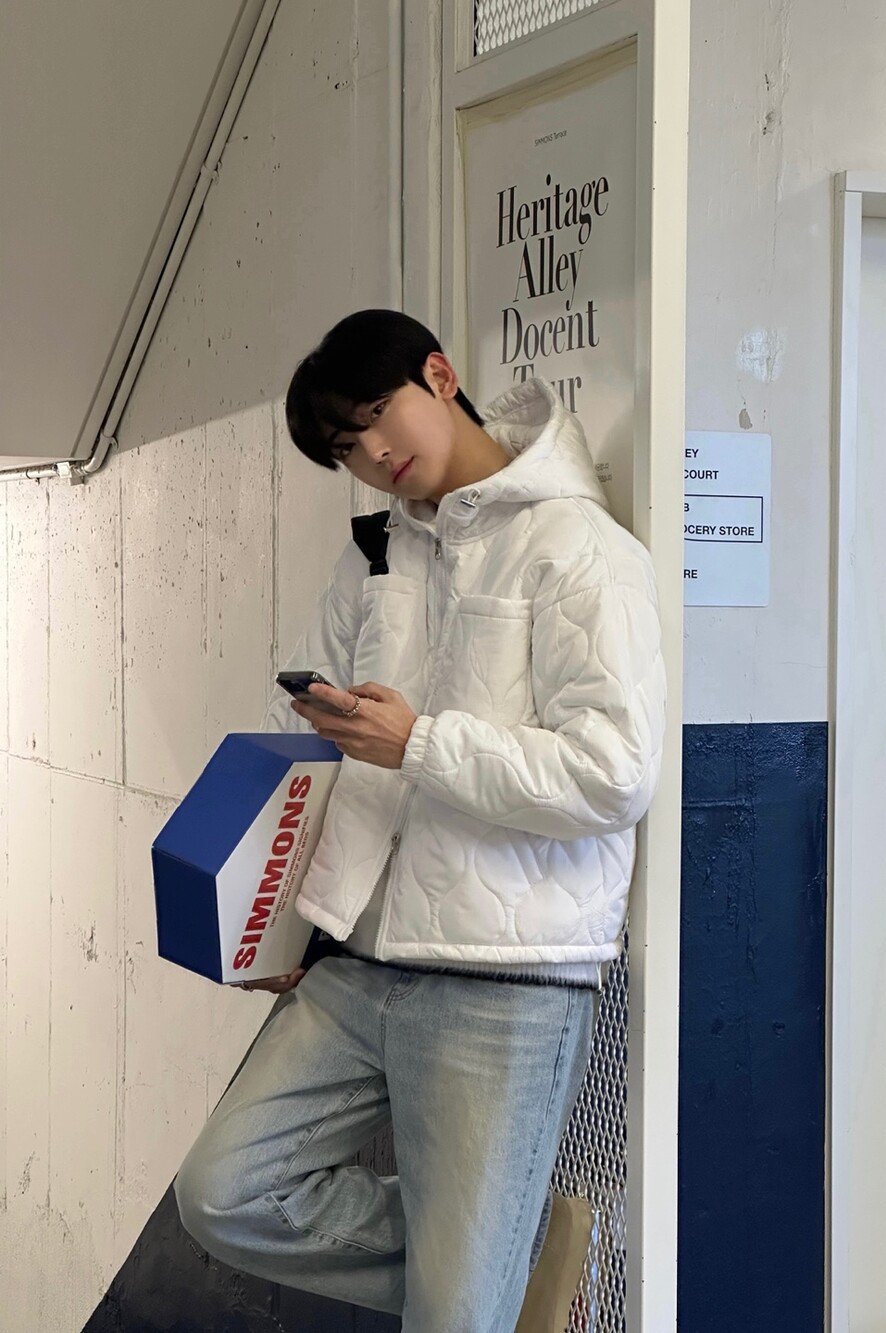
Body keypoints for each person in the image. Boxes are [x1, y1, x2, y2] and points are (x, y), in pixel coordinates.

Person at [174, 309, 666, 1332]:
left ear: (439, 375)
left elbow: (615, 774)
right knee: (224, 1190)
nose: (373, 453)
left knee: (455, 1313)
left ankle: (485, 1269)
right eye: (345, 447)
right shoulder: (375, 557)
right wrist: (282, 925)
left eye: (375, 414)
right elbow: (303, 739)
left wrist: (421, 743)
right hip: (356, 963)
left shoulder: (579, 548)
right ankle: (506, 1258)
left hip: (505, 980)